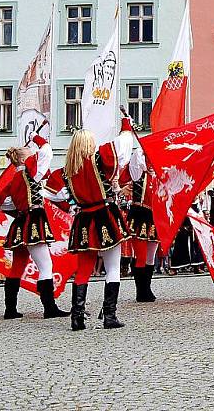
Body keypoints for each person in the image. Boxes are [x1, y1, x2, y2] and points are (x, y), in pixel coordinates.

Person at [44, 117, 133, 330]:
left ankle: (77, 317)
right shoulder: (100, 159)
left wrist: (69, 204)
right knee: (112, 267)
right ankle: (109, 316)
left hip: (83, 218)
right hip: (105, 215)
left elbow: (51, 195)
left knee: (83, 269)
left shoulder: (66, 171)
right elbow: (124, 146)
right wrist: (126, 125)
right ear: (89, 144)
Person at [0, 134, 69, 320]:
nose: (33, 155)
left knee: (17, 266)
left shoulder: (14, 179)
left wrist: (19, 208)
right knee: (46, 266)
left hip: (21, 221)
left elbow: (1, 202)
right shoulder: (30, 173)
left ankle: (10, 309)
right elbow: (47, 152)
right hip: (34, 219)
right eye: (29, 154)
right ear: (22, 159)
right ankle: (49, 307)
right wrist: (38, 138)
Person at [123, 148, 160, 303]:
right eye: (149, 161)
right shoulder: (138, 173)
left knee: (151, 255)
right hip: (139, 216)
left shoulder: (158, 178)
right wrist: (146, 146)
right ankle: (141, 291)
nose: (151, 165)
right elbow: (137, 157)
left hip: (154, 217)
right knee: (141, 255)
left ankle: (147, 288)